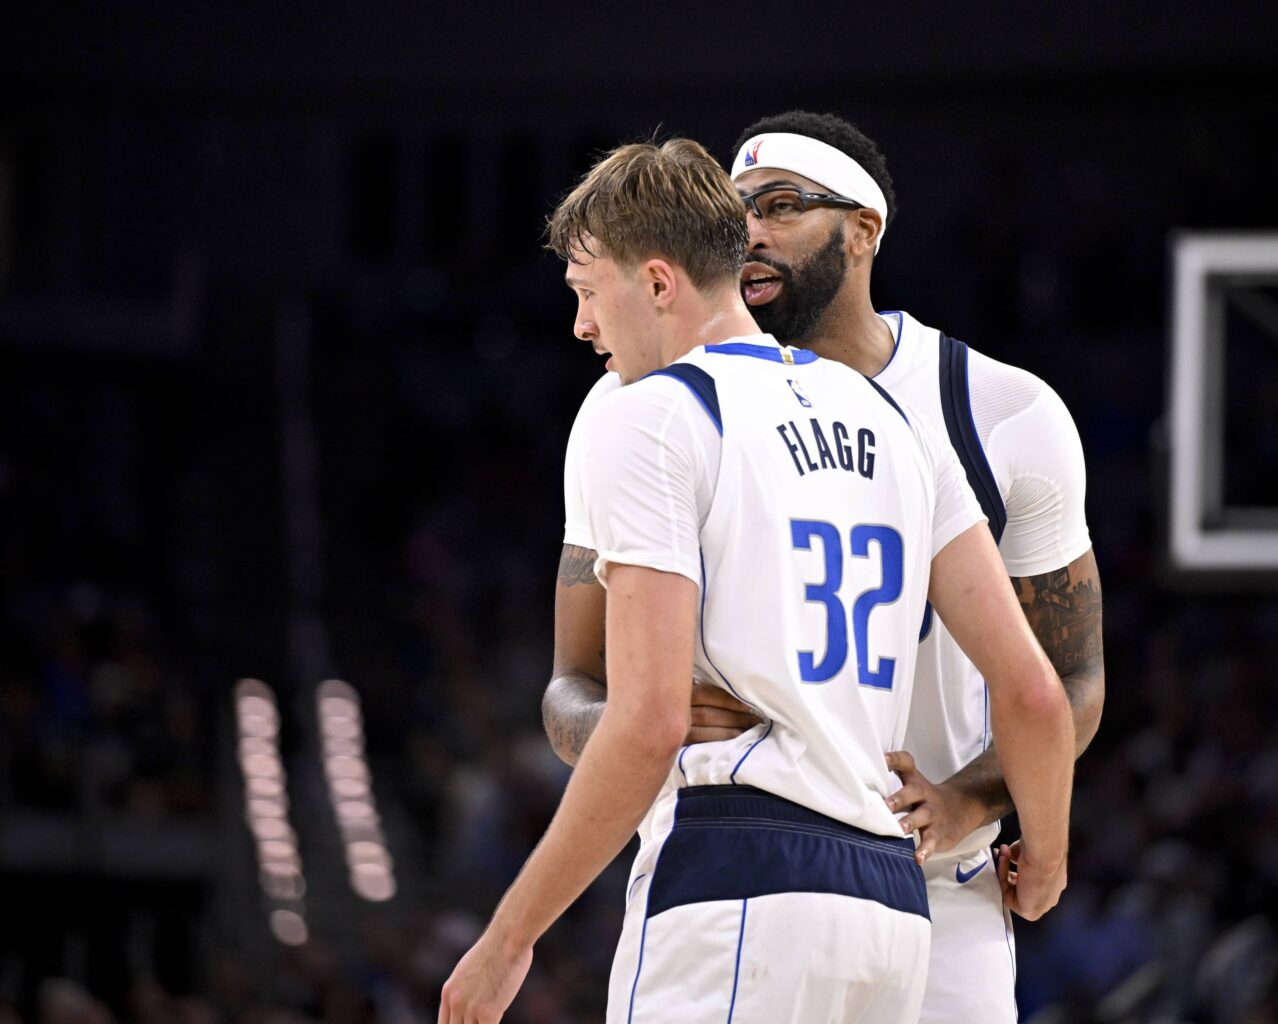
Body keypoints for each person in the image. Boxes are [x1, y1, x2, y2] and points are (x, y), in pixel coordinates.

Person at [440, 138, 1075, 1024]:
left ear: (659, 284)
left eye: (587, 293)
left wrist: (508, 940)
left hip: (736, 875)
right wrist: (1044, 860)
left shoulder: (649, 415)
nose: (582, 326)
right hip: (894, 905)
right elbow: (1038, 694)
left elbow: (651, 722)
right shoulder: (890, 418)